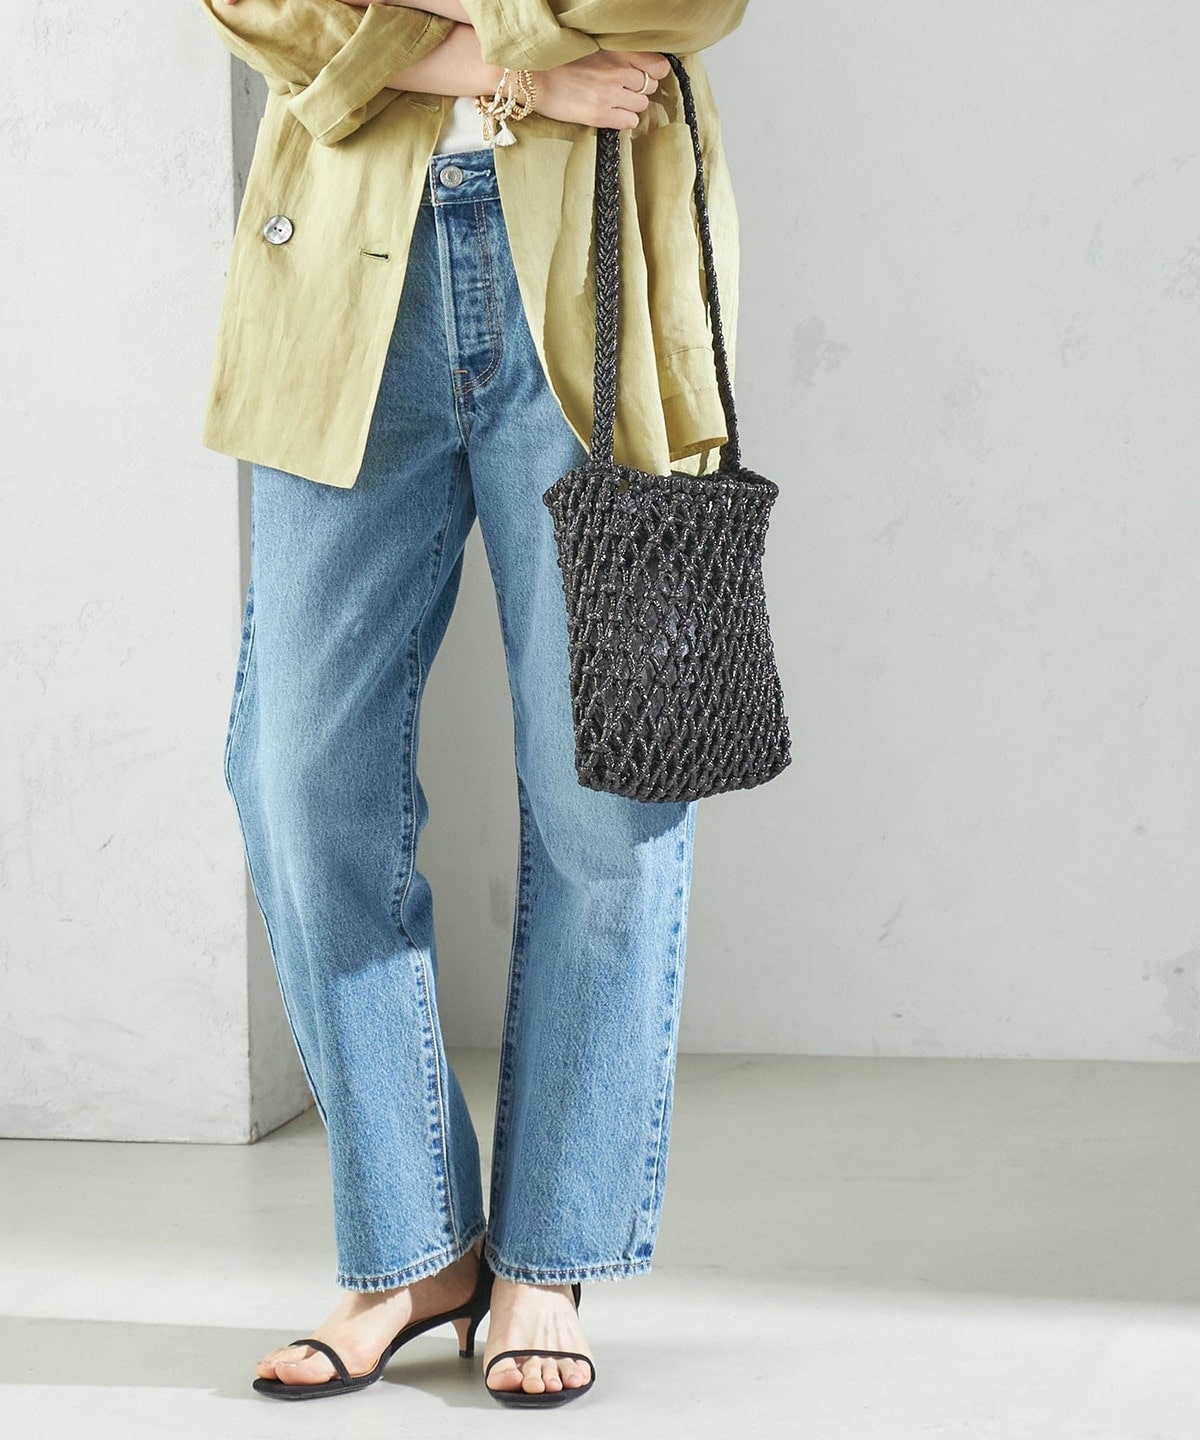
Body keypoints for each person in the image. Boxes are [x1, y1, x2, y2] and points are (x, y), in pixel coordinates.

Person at [201, 0, 749, 1408]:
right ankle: (415, 1250)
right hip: (340, 278)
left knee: (606, 787)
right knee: (299, 774)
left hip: (596, 275)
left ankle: (547, 1260)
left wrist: (419, 28)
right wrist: (513, 62)